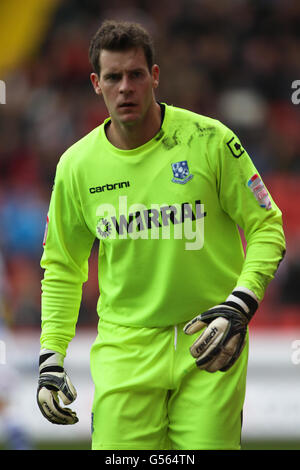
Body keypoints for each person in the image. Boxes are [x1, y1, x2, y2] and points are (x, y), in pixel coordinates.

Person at [36, 20, 285, 450]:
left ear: (155, 76)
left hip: (209, 341)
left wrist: (240, 304)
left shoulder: (210, 141)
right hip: (125, 352)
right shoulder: (76, 167)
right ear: (96, 83)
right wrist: (51, 356)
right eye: (113, 77)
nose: (125, 87)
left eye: (135, 74)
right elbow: (62, 265)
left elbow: (267, 225)